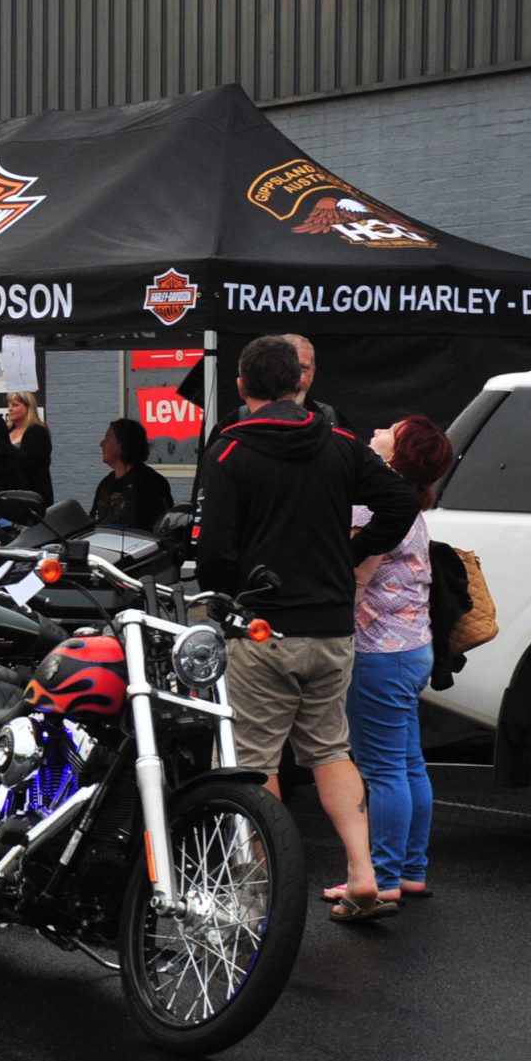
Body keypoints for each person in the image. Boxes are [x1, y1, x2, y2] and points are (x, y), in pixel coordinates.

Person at [192, 335, 419, 921]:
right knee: (330, 750)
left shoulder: (229, 449)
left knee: (256, 760)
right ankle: (363, 873)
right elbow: (401, 501)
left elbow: (213, 552)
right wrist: (352, 553)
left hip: (261, 627)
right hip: (331, 628)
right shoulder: (340, 442)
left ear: (242, 387)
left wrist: (227, 596)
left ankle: (262, 886)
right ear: (299, 382)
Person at [325, 416, 456, 908]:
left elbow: (357, 576)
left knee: (381, 770)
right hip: (413, 648)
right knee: (407, 763)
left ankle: (381, 876)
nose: (377, 431)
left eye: (389, 430)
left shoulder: (372, 504)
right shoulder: (412, 505)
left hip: (377, 651)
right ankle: (410, 869)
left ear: (399, 452)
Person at [92, 417, 174, 529]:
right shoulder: (106, 484)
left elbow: (162, 527)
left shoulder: (151, 482)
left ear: (122, 445)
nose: (102, 444)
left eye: (107, 438)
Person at [5, 391, 54, 501]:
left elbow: (29, 464)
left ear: (28, 407)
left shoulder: (37, 432)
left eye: (15, 405)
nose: (10, 409)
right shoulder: (7, 431)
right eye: (8, 405)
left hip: (32, 494)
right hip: (10, 493)